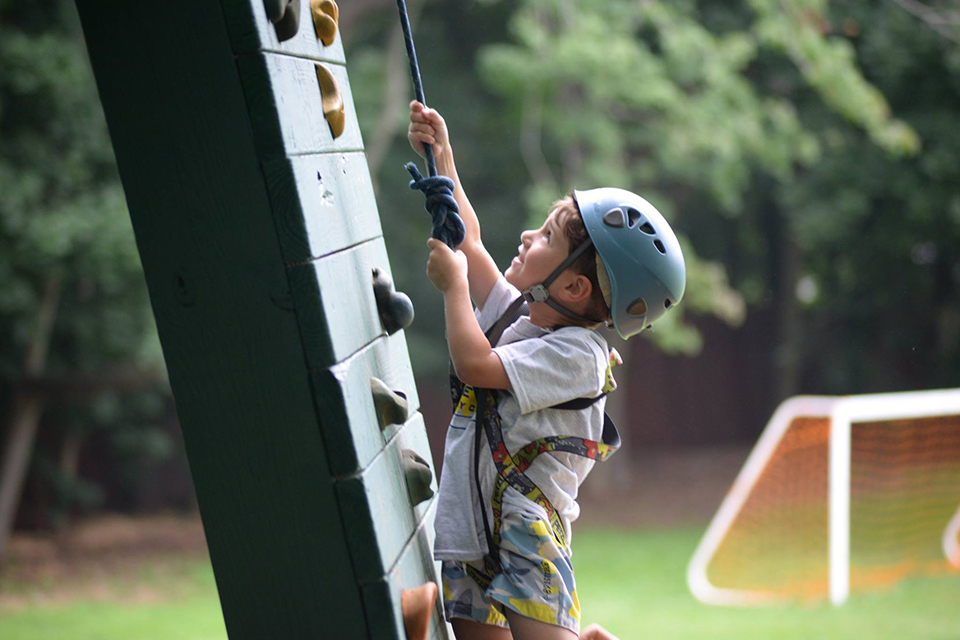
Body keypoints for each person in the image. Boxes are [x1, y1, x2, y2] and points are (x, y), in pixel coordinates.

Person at [408, 101, 685, 640]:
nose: (529, 236)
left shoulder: (578, 356)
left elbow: (474, 365)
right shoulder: (523, 319)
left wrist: (454, 288)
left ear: (574, 288)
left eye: (547, 238)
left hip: (526, 533)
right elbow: (471, 242)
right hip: (473, 529)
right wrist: (443, 156)